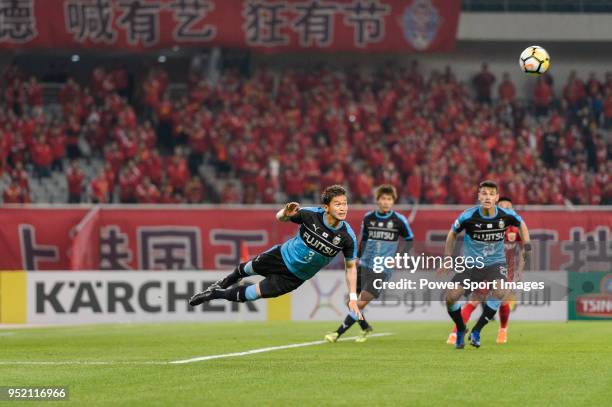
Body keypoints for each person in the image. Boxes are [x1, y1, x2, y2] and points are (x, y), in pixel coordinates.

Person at [189, 185, 362, 321]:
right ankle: (223, 283)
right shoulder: (311, 215)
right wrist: (284, 212)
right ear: (326, 207)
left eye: (345, 203)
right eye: (338, 204)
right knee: (246, 269)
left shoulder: (347, 237)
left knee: (251, 294)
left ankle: (214, 294)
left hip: (294, 278)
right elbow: (281, 218)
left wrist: (353, 297)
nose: (343, 208)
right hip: (279, 256)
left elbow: (351, 268)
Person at [441, 181, 531, 349]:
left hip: (495, 263)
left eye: (491, 194)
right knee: (451, 297)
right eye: (484, 193)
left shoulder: (506, 214)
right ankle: (461, 328)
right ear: (479, 196)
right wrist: (447, 257)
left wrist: (528, 245)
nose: (487, 197)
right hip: (470, 264)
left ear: (496, 197)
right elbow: (452, 233)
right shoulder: (468, 216)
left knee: (500, 291)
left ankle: (477, 330)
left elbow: (522, 225)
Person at [325, 185, 413, 343]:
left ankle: (336, 334)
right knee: (350, 302)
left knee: (360, 302)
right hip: (364, 265)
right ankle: (365, 328)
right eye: (383, 198)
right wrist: (356, 257)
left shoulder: (399, 220)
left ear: (393, 201)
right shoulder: (368, 218)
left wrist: (400, 257)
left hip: (382, 269)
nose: (386, 202)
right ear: (377, 200)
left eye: (389, 199)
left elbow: (409, 240)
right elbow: (363, 240)